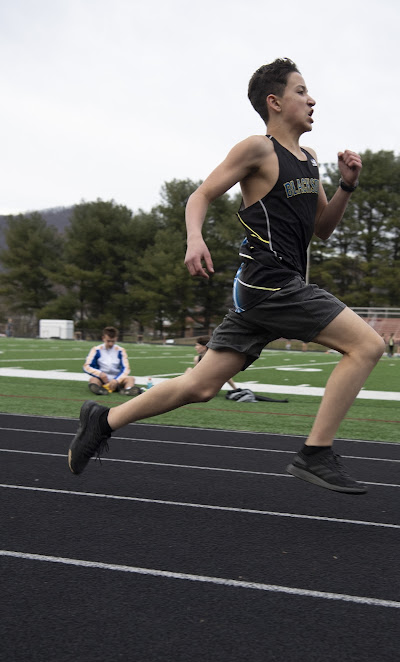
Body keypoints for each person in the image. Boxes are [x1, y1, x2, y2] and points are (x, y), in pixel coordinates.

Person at [68, 58, 384, 493]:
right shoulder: (258, 149)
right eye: (300, 91)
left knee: (200, 386)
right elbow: (200, 195)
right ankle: (316, 453)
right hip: (268, 281)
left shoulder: (309, 160)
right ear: (274, 102)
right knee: (368, 345)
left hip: (270, 288)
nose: (312, 100)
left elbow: (322, 228)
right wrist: (193, 238)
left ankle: (103, 419)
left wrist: (347, 185)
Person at [83, 326, 142, 396]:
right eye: (108, 341)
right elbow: (86, 366)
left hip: (117, 379)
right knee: (93, 379)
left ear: (116, 339)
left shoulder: (120, 350)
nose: (111, 344)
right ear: (103, 338)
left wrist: (116, 380)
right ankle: (99, 389)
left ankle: (127, 390)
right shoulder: (96, 350)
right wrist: (100, 374)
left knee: (131, 379)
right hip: (101, 379)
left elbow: (126, 369)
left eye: (113, 341)